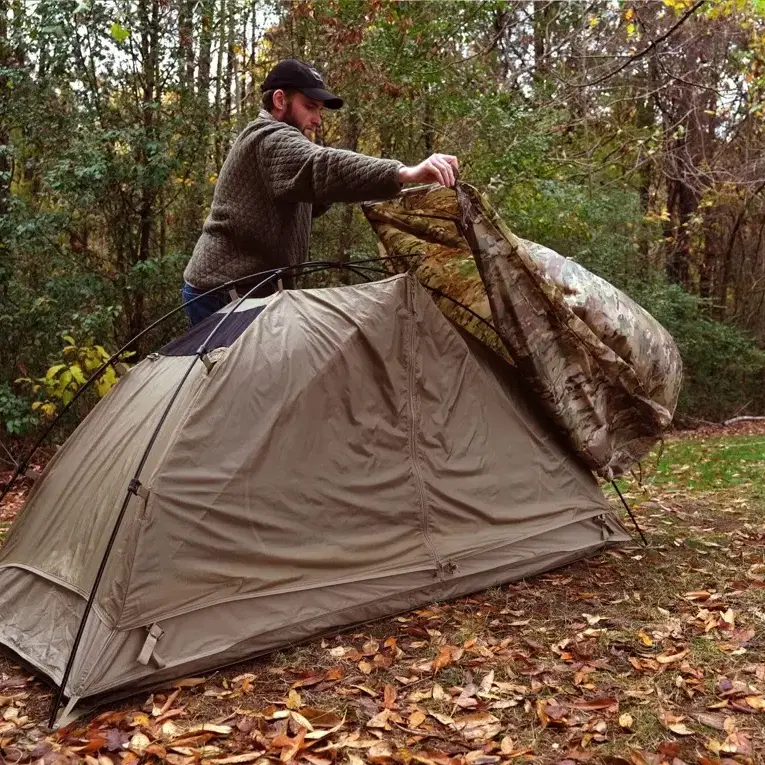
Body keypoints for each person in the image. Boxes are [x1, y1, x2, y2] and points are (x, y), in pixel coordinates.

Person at [181, 58, 459, 326]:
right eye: (309, 106)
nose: (317, 119)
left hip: (247, 291)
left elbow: (310, 194)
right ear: (280, 100)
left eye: (319, 111)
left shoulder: (275, 145)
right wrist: (403, 173)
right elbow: (321, 164)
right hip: (222, 293)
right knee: (242, 374)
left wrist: (355, 188)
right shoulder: (269, 138)